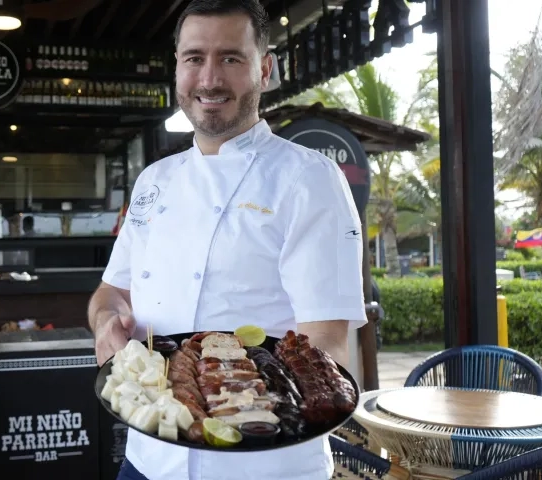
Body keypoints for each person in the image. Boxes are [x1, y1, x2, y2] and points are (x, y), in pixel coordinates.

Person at [87, 1, 366, 479]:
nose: (210, 79)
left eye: (231, 58)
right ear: (177, 66)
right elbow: (111, 293)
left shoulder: (309, 179)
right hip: (149, 455)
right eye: (194, 58)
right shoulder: (154, 181)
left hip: (263, 463)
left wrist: (244, 400)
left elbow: (328, 341)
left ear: (264, 67)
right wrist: (106, 325)